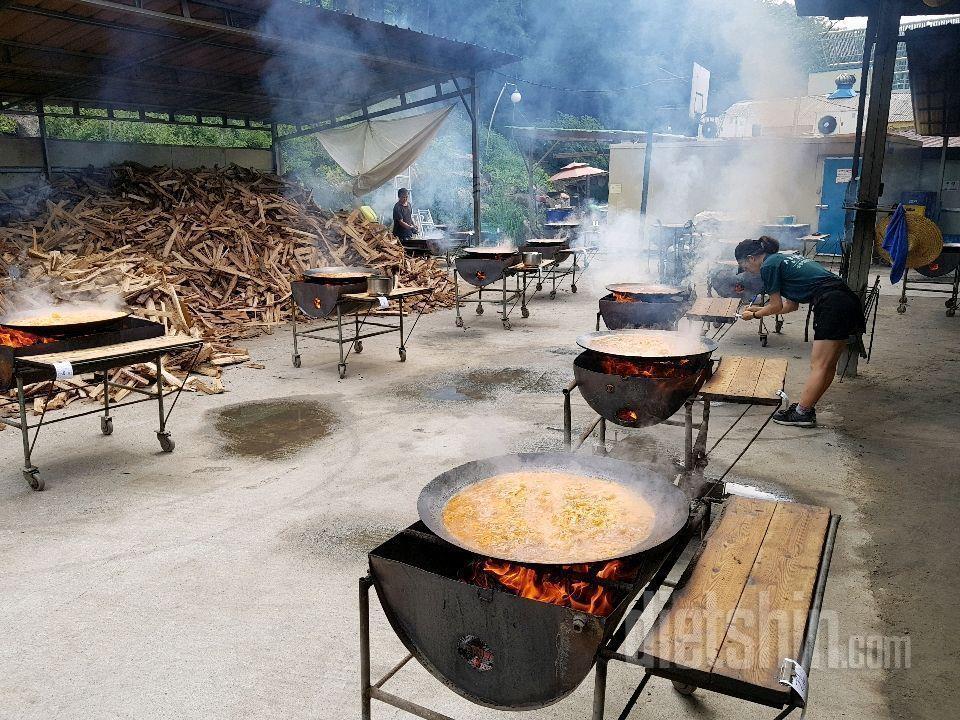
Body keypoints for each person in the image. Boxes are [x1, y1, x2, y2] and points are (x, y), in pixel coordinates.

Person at [734, 236, 864, 428]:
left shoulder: (768, 266)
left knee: (819, 364)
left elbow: (776, 305)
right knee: (827, 365)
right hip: (845, 301)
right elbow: (790, 306)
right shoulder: (781, 259)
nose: (747, 271)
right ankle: (806, 408)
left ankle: (802, 413)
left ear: (752, 258)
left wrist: (754, 316)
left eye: (745, 267)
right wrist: (759, 309)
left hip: (831, 303)